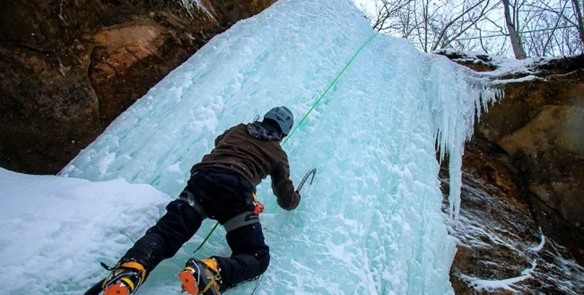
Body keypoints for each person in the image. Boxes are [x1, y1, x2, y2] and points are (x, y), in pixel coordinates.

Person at [93, 106, 301, 295]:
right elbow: (285, 199)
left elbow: (219, 141)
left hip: (202, 182)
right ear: (283, 134)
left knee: (166, 234)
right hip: (235, 194)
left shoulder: (239, 129)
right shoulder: (278, 154)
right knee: (257, 256)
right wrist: (295, 198)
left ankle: (131, 270)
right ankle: (210, 270)